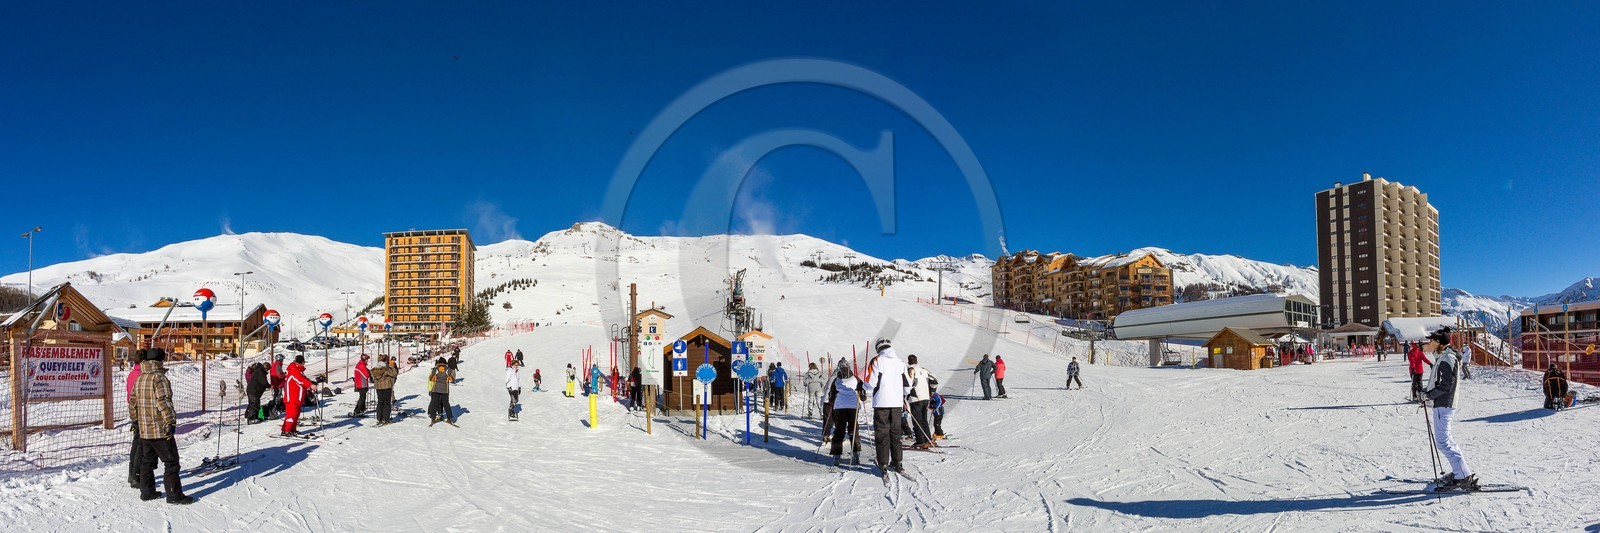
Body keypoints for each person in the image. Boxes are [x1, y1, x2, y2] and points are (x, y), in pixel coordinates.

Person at [129, 348, 193, 504]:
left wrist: (136, 421)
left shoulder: (140, 378)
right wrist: (170, 421)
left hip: (145, 430)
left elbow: (133, 402)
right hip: (159, 430)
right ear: (160, 361)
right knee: (171, 462)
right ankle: (174, 495)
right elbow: (163, 402)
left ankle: (147, 491)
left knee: (146, 462)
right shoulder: (159, 378)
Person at [1423, 326, 1477, 491]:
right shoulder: (1444, 357)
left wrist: (1428, 396)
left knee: (1443, 441)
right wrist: (1427, 393)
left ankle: (1462, 476)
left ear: (1438, 342)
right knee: (1447, 440)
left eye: (1431, 340)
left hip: (1444, 403)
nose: (1429, 343)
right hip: (1443, 403)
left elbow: (1446, 385)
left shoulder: (1447, 358)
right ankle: (1460, 471)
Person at [865, 338, 910, 477]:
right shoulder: (900, 362)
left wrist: (863, 386)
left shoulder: (877, 360)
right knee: (896, 433)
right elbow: (907, 386)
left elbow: (870, 383)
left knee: (882, 433)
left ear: (878, 348)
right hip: (896, 403)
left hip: (881, 403)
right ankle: (897, 462)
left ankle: (883, 463)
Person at [826, 358, 864, 466]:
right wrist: (862, 397)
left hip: (840, 408)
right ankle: (856, 454)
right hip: (853, 407)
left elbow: (831, 396)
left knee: (839, 431)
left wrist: (832, 402)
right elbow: (862, 391)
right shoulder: (856, 378)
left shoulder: (836, 380)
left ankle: (836, 456)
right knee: (853, 430)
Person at [906, 354, 936, 448]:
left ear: (908, 362)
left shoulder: (910, 370)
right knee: (924, 420)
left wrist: (904, 394)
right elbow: (935, 380)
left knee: (917, 421)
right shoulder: (924, 370)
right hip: (925, 397)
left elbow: (908, 383)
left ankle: (920, 440)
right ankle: (928, 439)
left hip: (915, 398)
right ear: (917, 361)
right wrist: (932, 391)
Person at [281, 356, 314, 437]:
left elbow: (304, 379)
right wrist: (310, 385)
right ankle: (286, 430)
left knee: (296, 414)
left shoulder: (298, 370)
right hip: (292, 397)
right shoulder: (294, 370)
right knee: (291, 414)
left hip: (297, 397)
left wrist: (312, 383)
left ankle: (292, 429)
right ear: (302, 362)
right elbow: (300, 380)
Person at [126, 354, 145, 490]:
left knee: (136, 443)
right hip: (141, 412)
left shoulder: (133, 373)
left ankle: (132, 473)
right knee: (140, 445)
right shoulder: (141, 376)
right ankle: (135, 475)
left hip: (134, 411)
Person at [372, 354, 399, 426]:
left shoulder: (375, 368)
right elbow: (394, 373)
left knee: (380, 402)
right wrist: (391, 366)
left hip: (378, 387)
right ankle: (386, 418)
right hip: (386, 386)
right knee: (387, 403)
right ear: (385, 360)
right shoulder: (386, 367)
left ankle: (379, 418)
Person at [428, 358, 453, 424]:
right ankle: (449, 418)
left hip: (436, 389)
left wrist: (436, 378)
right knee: (446, 404)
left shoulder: (435, 369)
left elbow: (430, 378)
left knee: (434, 403)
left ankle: (433, 417)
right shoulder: (448, 370)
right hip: (445, 389)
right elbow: (452, 379)